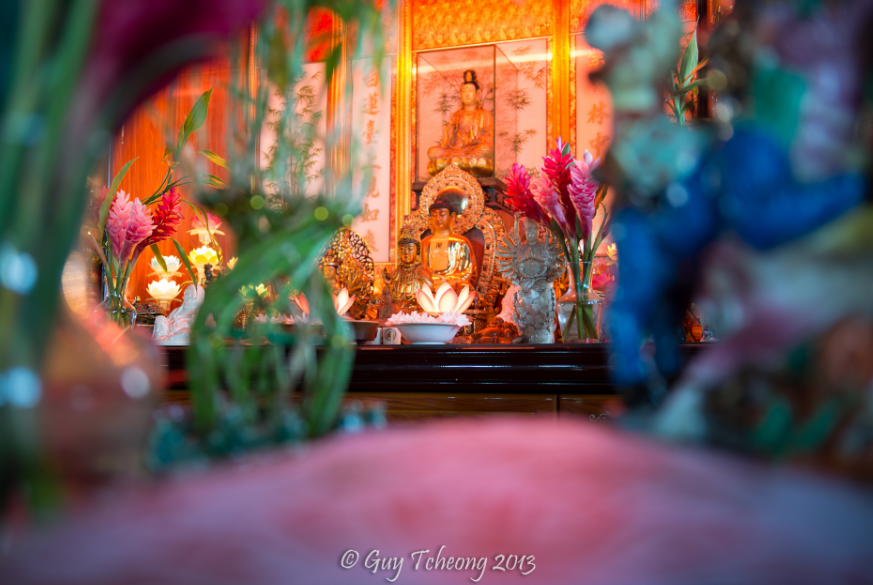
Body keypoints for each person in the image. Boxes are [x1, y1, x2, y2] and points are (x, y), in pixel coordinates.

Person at [427, 69, 494, 177]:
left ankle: (460, 162)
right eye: (464, 91)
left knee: (485, 149)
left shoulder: (484, 114)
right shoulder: (455, 115)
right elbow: (446, 143)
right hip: (455, 150)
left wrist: (478, 137)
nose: (467, 94)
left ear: (477, 93)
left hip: (473, 151)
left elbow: (491, 137)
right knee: (432, 152)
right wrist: (449, 129)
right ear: (460, 94)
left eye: (470, 91)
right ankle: (459, 162)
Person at [420, 195, 476, 290]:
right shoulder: (425, 243)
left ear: (452, 217)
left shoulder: (461, 242)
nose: (438, 218)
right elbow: (419, 270)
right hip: (430, 284)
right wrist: (430, 279)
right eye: (434, 215)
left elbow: (468, 273)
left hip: (452, 284)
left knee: (463, 286)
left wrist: (444, 280)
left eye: (442, 214)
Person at [382, 216, 433, 313]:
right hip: (398, 309)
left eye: (409, 249)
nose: (405, 253)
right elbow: (390, 299)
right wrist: (389, 284)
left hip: (415, 310)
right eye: (402, 249)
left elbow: (430, 297)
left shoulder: (421, 273)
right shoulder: (397, 272)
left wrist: (414, 298)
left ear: (417, 251)